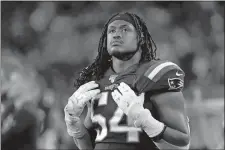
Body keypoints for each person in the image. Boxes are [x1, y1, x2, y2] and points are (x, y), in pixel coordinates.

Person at [64, 12, 190, 150]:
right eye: (111, 30)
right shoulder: (97, 81)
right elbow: (89, 147)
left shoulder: (155, 75)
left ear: (140, 38)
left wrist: (146, 121)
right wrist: (74, 126)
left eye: (125, 29)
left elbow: (182, 144)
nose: (116, 34)